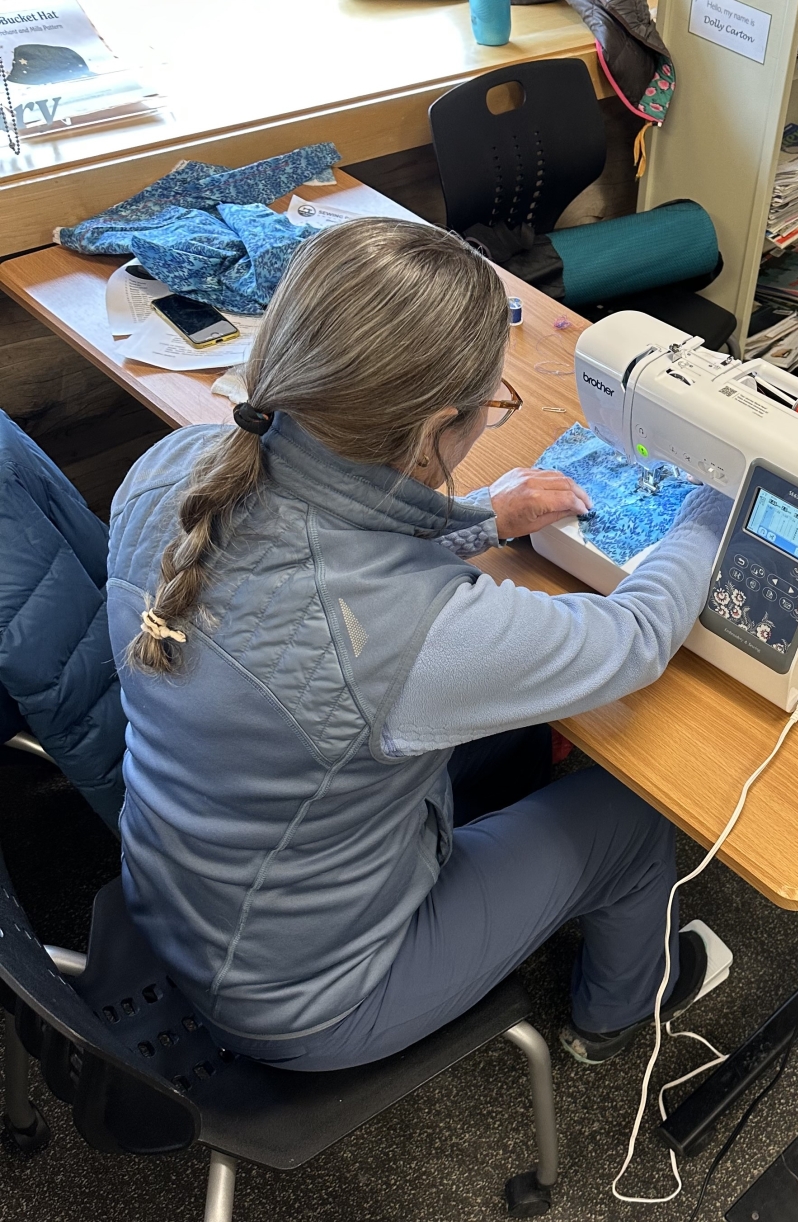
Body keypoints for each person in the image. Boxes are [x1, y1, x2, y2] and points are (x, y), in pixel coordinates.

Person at [106, 218, 731, 1071]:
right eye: (491, 408)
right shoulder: (413, 633)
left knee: (508, 740)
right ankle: (617, 1016)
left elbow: (304, 590)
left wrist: (481, 516)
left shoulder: (171, 467)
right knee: (626, 818)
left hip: (175, 892)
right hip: (307, 1003)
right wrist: (714, 506)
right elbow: (635, 639)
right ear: (439, 427)